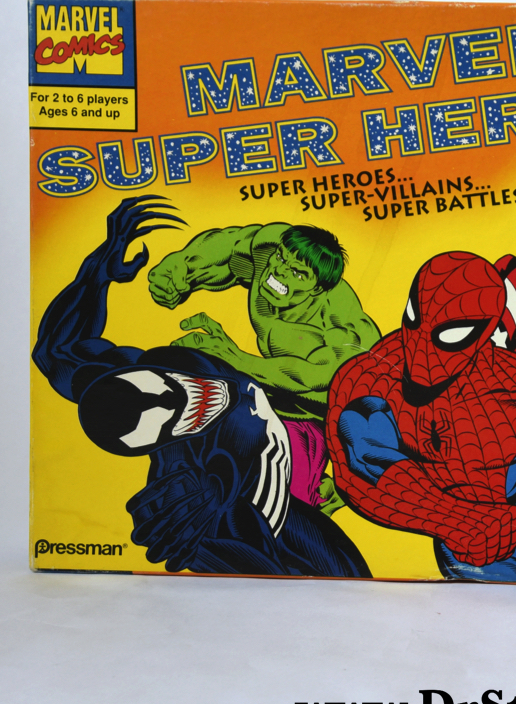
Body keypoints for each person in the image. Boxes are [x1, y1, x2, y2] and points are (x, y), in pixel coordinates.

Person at [32, 197, 370, 577]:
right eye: (165, 419)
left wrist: (101, 269)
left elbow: (339, 378)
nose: (281, 272)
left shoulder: (340, 323)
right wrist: (103, 271)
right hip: (279, 451)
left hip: (314, 412)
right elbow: (56, 350)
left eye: (298, 273)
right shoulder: (196, 476)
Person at [327, 252, 516, 584]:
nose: (422, 350)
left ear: (485, 329)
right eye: (415, 319)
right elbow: (365, 466)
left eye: (450, 334)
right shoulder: (371, 376)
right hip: (475, 555)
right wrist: (456, 520)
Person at [147, 222, 381, 507]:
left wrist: (352, 484)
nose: (280, 271)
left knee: (285, 507)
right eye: (281, 258)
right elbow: (228, 245)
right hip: (258, 398)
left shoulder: (345, 327)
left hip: (309, 421)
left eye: (298, 273)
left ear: (317, 288)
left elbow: (316, 375)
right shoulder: (267, 248)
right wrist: (178, 268)